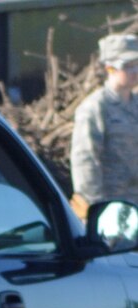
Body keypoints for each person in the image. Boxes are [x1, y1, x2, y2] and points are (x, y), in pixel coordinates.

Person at [71, 34, 138, 216]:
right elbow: (85, 161)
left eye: (137, 65)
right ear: (110, 69)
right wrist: (95, 210)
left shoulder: (135, 103)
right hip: (112, 205)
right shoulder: (94, 108)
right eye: (128, 66)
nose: (135, 71)